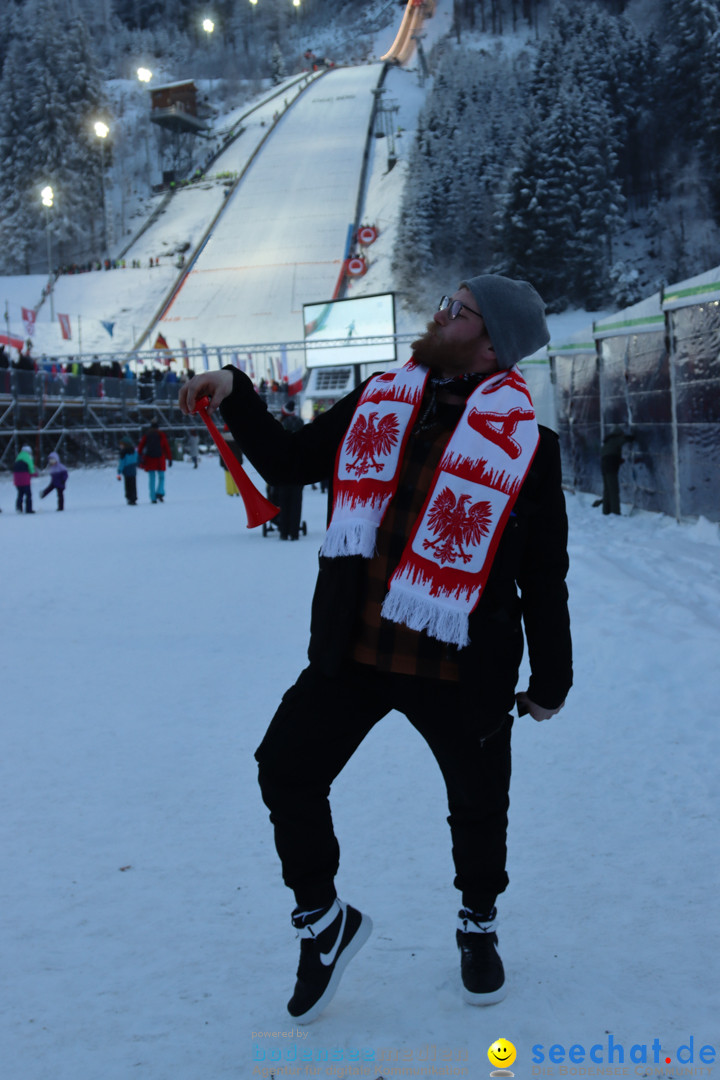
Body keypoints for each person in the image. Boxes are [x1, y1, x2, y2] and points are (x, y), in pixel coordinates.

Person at [179, 274, 573, 1023]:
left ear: (494, 344)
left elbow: (543, 574)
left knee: (479, 805)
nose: (438, 314)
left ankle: (478, 921)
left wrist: (552, 678)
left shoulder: (529, 448)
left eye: (457, 310)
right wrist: (234, 390)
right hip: (357, 647)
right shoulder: (382, 401)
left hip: (461, 661)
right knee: (285, 768)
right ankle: (324, 923)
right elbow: (293, 462)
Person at [274, 398, 304, 539]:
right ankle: (294, 532)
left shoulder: (278, 425)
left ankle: (283, 531)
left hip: (281, 468)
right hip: (298, 467)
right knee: (296, 502)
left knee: (284, 501)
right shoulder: (300, 423)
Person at [599, 427, 635, 515]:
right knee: (614, 490)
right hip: (611, 467)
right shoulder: (615, 439)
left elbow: (609, 454)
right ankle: (615, 512)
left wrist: (618, 460)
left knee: (607, 489)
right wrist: (632, 437)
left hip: (604, 466)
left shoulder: (607, 442)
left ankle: (606, 511)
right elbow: (624, 440)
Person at [137, 419, 172, 503]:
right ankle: (160, 492)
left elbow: (140, 446)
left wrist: (139, 456)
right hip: (160, 459)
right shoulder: (161, 435)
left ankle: (153, 497)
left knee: (152, 479)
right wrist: (170, 458)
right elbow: (166, 447)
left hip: (150, 459)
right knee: (161, 477)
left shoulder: (147, 435)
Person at [13, 444, 37, 513]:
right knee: (28, 494)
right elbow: (30, 466)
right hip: (25, 479)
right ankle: (28, 509)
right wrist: (34, 473)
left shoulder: (18, 456)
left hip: (17, 479)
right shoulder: (28, 457)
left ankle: (19, 508)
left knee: (20, 494)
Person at [117, 438, 139, 506]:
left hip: (126, 471)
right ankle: (133, 498)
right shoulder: (134, 451)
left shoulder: (123, 453)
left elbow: (122, 463)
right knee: (133, 484)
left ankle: (129, 497)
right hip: (133, 470)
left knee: (128, 485)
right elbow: (137, 459)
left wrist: (119, 471)